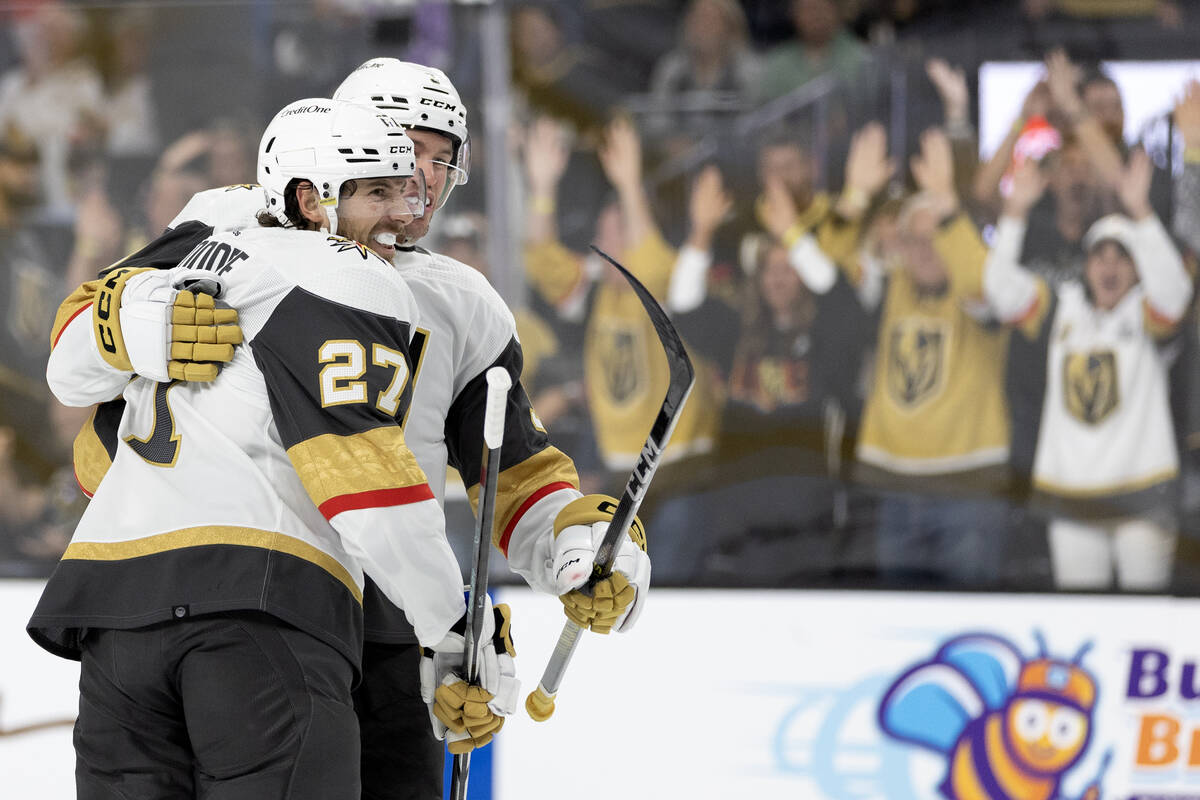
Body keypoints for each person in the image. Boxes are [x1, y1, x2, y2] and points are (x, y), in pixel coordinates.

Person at [47, 59, 651, 800]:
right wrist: (141, 325)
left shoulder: (464, 302)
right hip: (283, 606)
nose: (421, 181)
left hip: (384, 621)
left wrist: (577, 547)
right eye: (403, 153)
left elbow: (516, 469)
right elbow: (84, 343)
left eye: (440, 160)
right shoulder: (230, 218)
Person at [984, 151, 1191, 590]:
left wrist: (1142, 214)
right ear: (1085, 265)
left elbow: (1175, 293)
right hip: (1071, 498)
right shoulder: (1061, 307)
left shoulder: (1146, 313)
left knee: (1145, 620)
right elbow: (1000, 291)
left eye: (1122, 257)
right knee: (1082, 617)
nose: (1110, 266)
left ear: (1137, 269)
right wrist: (1014, 214)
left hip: (1143, 496)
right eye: (1100, 256)